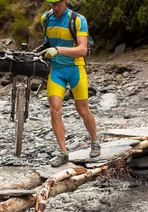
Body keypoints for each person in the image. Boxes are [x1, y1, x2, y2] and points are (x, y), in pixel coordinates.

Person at [37, 0, 100, 168]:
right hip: (56, 71)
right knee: (54, 109)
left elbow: (83, 49)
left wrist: (58, 50)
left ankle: (95, 142)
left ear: (65, 1)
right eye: (52, 5)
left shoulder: (78, 20)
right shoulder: (46, 19)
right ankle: (64, 153)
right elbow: (48, 42)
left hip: (75, 69)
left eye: (57, 4)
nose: (55, 8)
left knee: (83, 109)